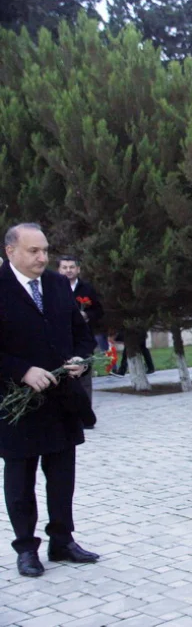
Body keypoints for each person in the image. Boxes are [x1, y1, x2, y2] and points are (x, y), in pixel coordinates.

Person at [0, 223, 100, 578]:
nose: (43, 257)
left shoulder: (58, 285)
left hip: (61, 401)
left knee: (61, 476)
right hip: (18, 405)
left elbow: (82, 335)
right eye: (34, 251)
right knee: (20, 479)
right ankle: (26, 549)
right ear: (10, 251)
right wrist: (22, 371)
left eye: (45, 250)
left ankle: (62, 540)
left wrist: (80, 360)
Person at [57, 255, 104, 414]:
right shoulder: (53, 288)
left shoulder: (87, 288)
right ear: (59, 269)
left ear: (78, 269)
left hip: (83, 339)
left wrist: (87, 315)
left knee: (84, 377)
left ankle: (85, 414)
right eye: (65, 267)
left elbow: (98, 310)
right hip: (61, 339)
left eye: (71, 267)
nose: (68, 270)